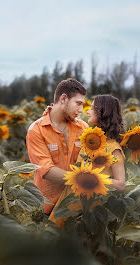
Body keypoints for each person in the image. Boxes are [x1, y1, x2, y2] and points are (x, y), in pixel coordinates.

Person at [48, 94, 126, 229]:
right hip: (69, 201)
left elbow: (120, 184)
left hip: (89, 208)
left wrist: (94, 179)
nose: (87, 111)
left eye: (92, 108)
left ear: (103, 113)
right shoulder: (89, 140)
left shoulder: (114, 149)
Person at [26, 78, 88, 216]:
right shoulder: (36, 130)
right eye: (78, 103)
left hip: (77, 208)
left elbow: (91, 160)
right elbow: (45, 170)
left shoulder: (83, 128)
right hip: (49, 209)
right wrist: (83, 181)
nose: (81, 110)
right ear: (64, 98)